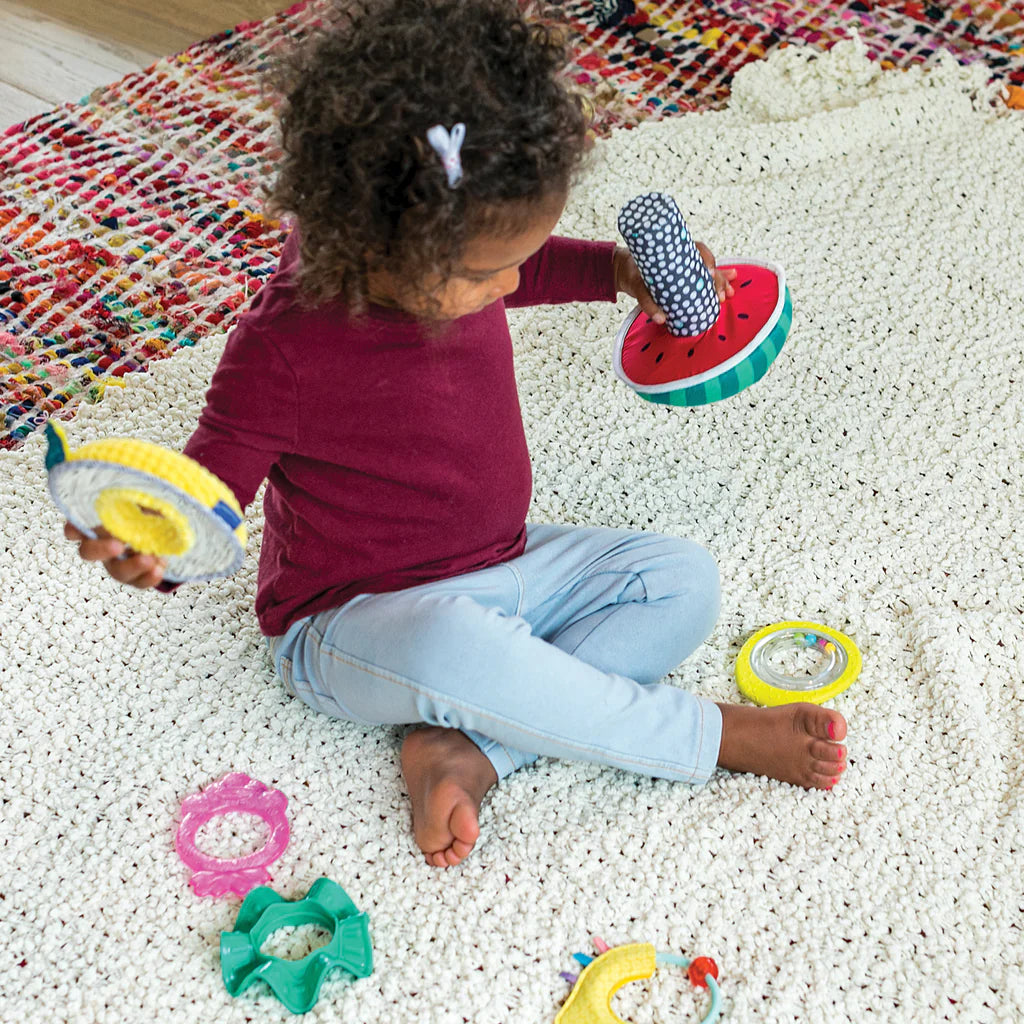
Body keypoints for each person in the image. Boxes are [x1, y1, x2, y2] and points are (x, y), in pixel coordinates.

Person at [65, 0, 847, 868]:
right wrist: (156, 546)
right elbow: (206, 490)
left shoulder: (447, 245)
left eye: (518, 255)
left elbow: (524, 259)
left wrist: (620, 272)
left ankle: (472, 751)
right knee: (452, 646)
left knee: (681, 582)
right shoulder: (283, 350)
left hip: (503, 561)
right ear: (374, 245)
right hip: (352, 623)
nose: (512, 281)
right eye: (487, 272)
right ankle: (702, 736)